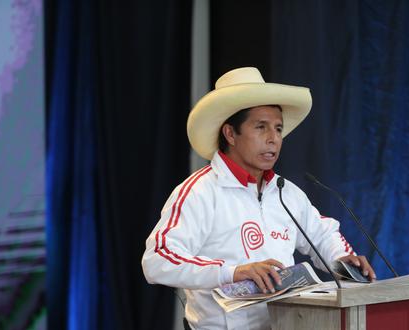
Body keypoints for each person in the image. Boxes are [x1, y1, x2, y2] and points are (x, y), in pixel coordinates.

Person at [141, 67, 375, 329]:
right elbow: (158, 259)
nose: (273, 139)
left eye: (278, 128)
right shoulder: (200, 191)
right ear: (230, 133)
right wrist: (233, 272)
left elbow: (322, 235)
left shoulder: (287, 192)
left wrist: (345, 263)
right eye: (261, 127)